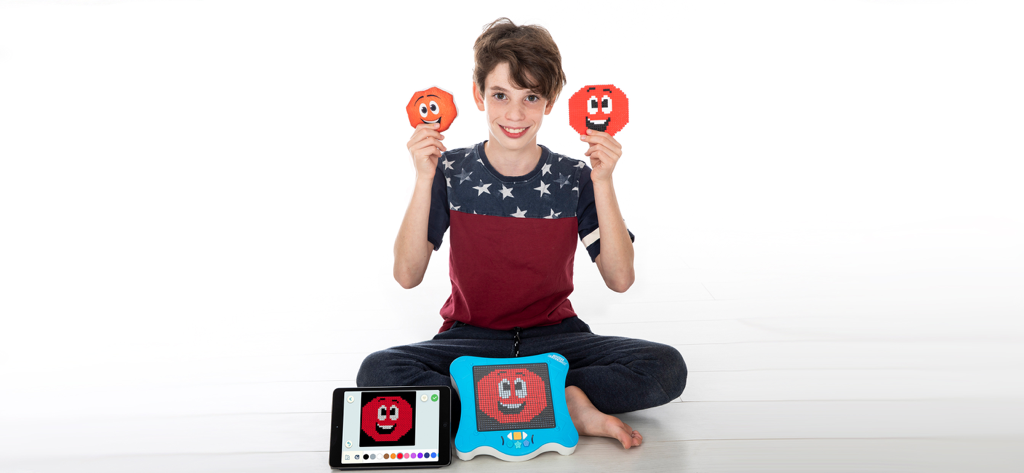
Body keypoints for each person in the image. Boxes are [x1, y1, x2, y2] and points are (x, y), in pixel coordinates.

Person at [357, 18, 686, 450]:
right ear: (479, 96)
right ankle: (557, 402)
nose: (515, 114)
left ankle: (498, 401)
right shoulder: (449, 172)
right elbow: (406, 274)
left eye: (530, 97)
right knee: (378, 372)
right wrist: (423, 178)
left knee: (666, 367)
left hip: (557, 339)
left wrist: (603, 182)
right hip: (469, 339)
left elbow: (620, 279)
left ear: (550, 103)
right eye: (500, 96)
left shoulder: (575, 178)